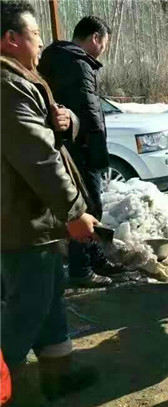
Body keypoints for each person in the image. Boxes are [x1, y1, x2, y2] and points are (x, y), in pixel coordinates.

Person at [1, 1, 99, 399]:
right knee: (27, 308)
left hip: (33, 217)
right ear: (11, 38)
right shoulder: (6, 86)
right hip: (21, 219)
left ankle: (57, 376)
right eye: (36, 34)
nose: (41, 42)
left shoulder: (20, 79)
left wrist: (68, 120)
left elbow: (48, 134)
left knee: (49, 296)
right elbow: (39, 157)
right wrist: (74, 212)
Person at [38, 16, 115, 288]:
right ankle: (82, 269)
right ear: (95, 38)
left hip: (66, 146)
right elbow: (90, 114)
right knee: (87, 208)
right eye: (105, 42)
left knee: (83, 207)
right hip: (81, 150)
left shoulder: (56, 58)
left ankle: (95, 260)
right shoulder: (79, 64)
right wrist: (99, 155)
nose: (104, 48)